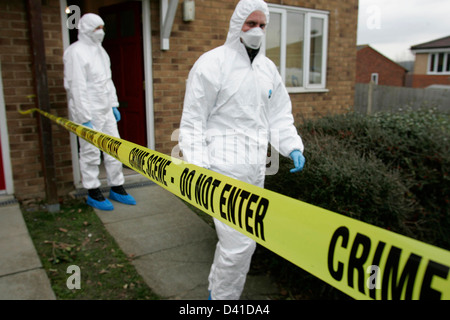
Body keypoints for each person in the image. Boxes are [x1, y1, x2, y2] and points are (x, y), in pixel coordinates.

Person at [179, 0, 305, 300]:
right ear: (237, 25)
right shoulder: (212, 64)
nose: (257, 31)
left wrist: (292, 146)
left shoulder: (267, 69)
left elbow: (278, 115)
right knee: (239, 245)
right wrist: (200, 169)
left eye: (262, 25)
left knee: (242, 241)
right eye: (251, 24)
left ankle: (216, 288)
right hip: (222, 170)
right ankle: (223, 299)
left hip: (255, 169)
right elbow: (193, 121)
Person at [64, 13, 136, 211]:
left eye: (102, 27)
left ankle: (117, 186)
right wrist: (83, 118)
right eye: (97, 28)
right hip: (88, 111)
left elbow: (107, 80)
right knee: (90, 153)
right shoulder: (75, 52)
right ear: (86, 28)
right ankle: (93, 191)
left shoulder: (101, 52)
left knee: (114, 148)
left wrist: (113, 104)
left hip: (105, 109)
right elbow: (76, 87)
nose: (101, 32)